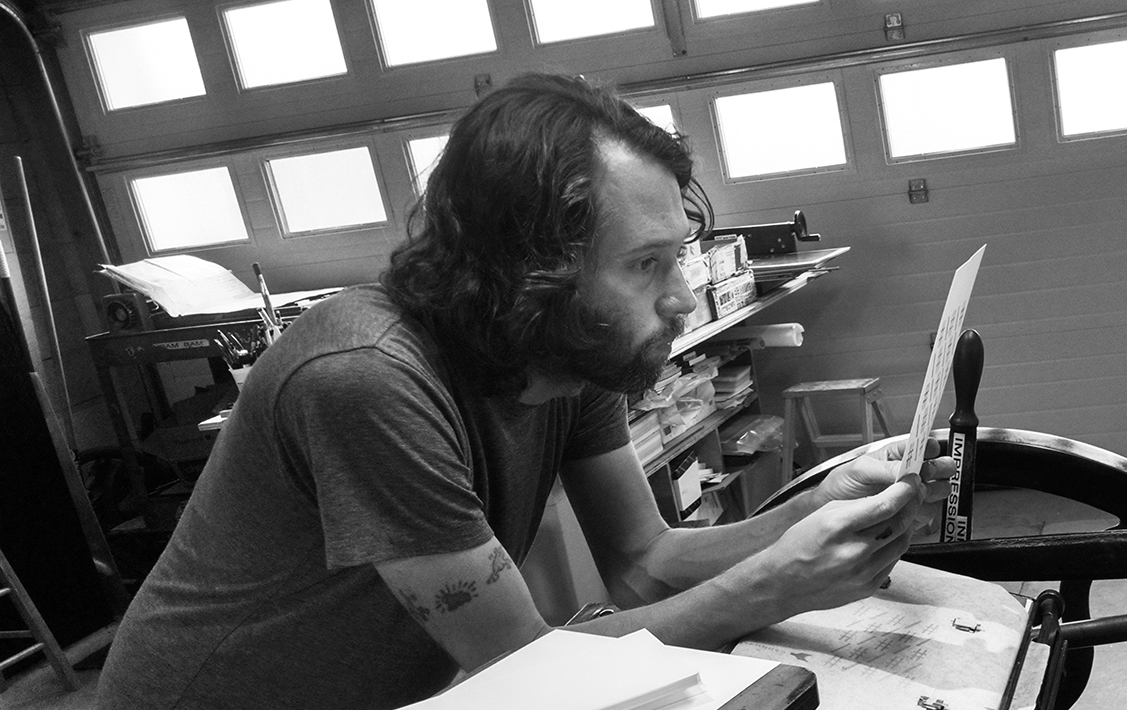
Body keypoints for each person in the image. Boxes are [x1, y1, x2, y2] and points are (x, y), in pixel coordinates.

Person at [95, 72, 954, 710]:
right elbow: (527, 673)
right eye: (645, 264)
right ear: (529, 269)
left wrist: (810, 513)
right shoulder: (366, 377)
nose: (683, 296)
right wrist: (776, 583)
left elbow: (645, 565)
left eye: (677, 256)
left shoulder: (567, 358)